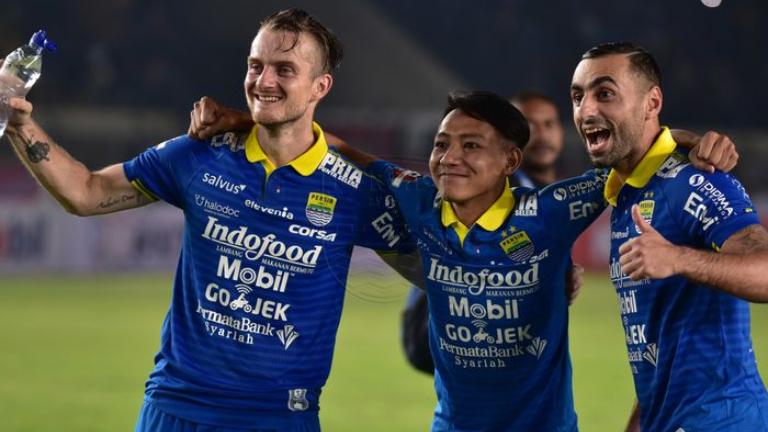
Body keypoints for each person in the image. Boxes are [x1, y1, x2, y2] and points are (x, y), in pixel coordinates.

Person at [4, 8, 412, 432]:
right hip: (176, 408)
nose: (264, 81)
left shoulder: (352, 189)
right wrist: (19, 124)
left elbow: (429, 270)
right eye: (256, 66)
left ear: (320, 87)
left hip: (278, 419)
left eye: (284, 70)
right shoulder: (199, 154)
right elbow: (86, 192)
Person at [570, 42, 768, 432]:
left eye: (605, 93)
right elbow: (661, 350)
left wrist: (678, 258)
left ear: (652, 102)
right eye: (578, 96)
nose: (586, 110)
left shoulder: (694, 180)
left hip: (723, 420)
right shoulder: (627, 193)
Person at [400, 90, 579, 375]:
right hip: (433, 325)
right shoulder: (486, 189)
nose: (541, 134)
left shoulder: (545, 197)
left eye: (549, 124)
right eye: (529, 124)